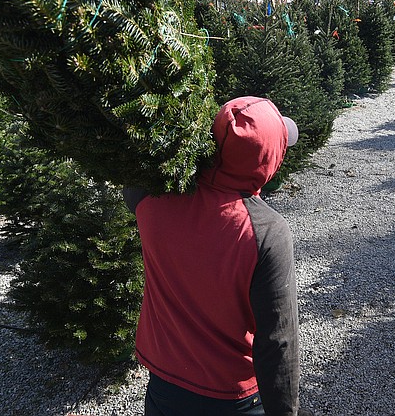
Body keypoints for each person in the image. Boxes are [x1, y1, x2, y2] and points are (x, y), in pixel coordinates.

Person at [124, 96, 312, 416]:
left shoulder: (150, 197)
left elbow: (134, 176)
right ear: (270, 157)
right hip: (234, 399)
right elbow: (278, 341)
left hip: (164, 389)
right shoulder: (266, 231)